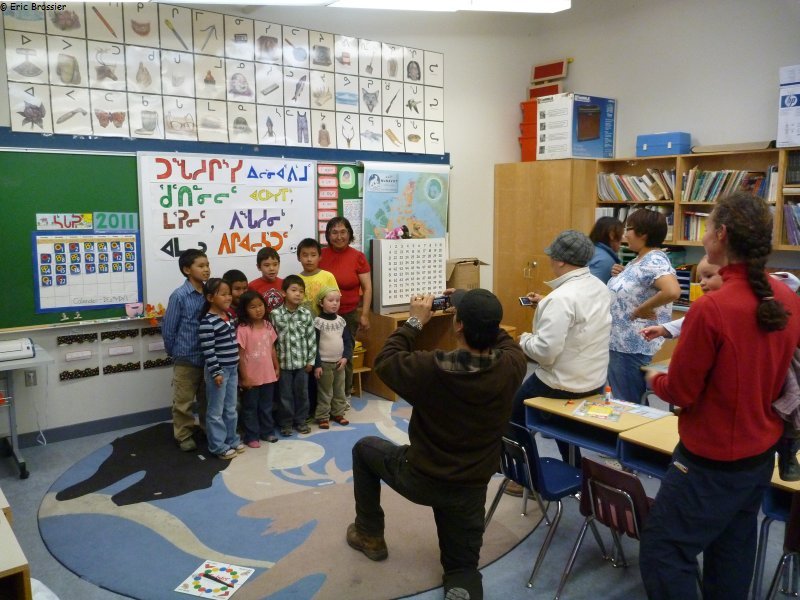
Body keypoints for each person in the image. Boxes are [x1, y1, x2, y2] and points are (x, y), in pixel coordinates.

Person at [639, 193, 800, 599]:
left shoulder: (711, 309)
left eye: (708, 226)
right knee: (733, 549)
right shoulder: (789, 300)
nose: (706, 232)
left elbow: (681, 391)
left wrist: (653, 379)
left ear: (720, 236)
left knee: (662, 550)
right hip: (759, 456)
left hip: (709, 463)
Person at [347, 289, 527, 600]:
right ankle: (460, 581)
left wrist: (416, 320)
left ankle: (369, 535)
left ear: (458, 325)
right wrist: (475, 307)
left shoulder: (430, 368)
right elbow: (498, 335)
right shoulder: (513, 365)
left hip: (422, 477)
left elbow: (386, 360)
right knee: (462, 570)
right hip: (470, 489)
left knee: (365, 449)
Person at [509, 230, 611, 483]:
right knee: (563, 427)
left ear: (561, 260)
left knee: (512, 418)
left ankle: (525, 476)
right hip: (594, 381)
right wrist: (546, 305)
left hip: (560, 384)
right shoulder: (599, 287)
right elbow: (581, 320)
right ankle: (574, 469)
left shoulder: (560, 299)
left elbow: (545, 353)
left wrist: (524, 340)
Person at [606, 209, 681, 403]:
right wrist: (621, 274)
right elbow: (638, 286)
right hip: (620, 342)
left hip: (630, 344)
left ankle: (631, 434)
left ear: (643, 233)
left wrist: (642, 309)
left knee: (628, 403)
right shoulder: (640, 259)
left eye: (629, 229)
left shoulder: (654, 259)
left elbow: (672, 291)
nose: (625, 234)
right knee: (627, 399)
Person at [319, 217, 371, 402]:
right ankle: (325, 397)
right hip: (323, 315)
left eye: (343, 232)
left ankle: (345, 394)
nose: (339, 236)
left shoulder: (358, 257)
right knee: (324, 355)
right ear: (328, 235)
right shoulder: (320, 255)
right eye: (334, 232)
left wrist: (364, 314)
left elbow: (367, 287)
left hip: (348, 314)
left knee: (345, 354)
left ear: (349, 234)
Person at [162, 248, 210, 452]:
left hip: (208, 356)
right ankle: (183, 435)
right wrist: (176, 352)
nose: (206, 269)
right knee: (183, 402)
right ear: (187, 270)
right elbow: (169, 329)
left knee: (208, 399)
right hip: (186, 357)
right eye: (201, 266)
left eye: (207, 265)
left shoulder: (210, 293)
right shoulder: (179, 296)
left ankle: (209, 431)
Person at [198, 278, 245, 460]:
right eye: (223, 294)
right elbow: (208, 350)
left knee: (231, 408)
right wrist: (216, 372)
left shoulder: (229, 316)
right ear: (210, 297)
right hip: (219, 372)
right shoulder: (207, 322)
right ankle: (217, 446)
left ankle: (232, 439)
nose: (228, 297)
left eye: (228, 293)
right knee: (215, 411)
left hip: (233, 368)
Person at [270, 275, 316, 436]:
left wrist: (310, 361)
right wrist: (275, 364)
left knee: (302, 394)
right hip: (284, 365)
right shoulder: (275, 315)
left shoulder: (306, 314)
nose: (298, 294)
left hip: (302, 365)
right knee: (285, 396)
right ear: (284, 293)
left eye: (301, 291)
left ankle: (301, 421)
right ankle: (286, 423)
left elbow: (311, 338)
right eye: (294, 290)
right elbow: (272, 341)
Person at [640, 255, 722, 341]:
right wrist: (663, 329)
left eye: (709, 276)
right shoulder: (705, 304)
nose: (701, 283)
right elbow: (689, 321)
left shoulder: (729, 306)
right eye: (700, 279)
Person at [237, 291, 280, 447]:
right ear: (245, 309)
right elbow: (240, 356)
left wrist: (277, 367)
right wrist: (244, 377)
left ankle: (267, 431)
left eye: (260, 305)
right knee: (250, 408)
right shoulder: (243, 329)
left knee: (266, 406)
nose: (258, 310)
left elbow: (272, 349)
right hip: (251, 378)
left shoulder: (268, 326)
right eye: (252, 307)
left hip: (268, 375)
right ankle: (251, 436)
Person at [313, 286, 353, 429]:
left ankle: (338, 413)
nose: (335, 303)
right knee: (325, 391)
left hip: (339, 363)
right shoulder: (317, 322)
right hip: (324, 363)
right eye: (330, 300)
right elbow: (314, 345)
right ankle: (323, 416)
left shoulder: (341, 321)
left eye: (337, 300)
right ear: (321, 303)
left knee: (339, 390)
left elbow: (348, 341)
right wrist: (317, 364)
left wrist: (345, 357)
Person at [296, 237, 338, 316]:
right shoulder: (296, 280)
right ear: (298, 257)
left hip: (324, 322)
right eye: (305, 255)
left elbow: (335, 301)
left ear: (319, 257)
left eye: (313, 255)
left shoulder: (328, 276)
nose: (309, 259)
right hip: (303, 324)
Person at [587, 216, 624, 283]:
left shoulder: (589, 250)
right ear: (612, 235)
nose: (622, 240)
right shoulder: (605, 261)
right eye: (621, 235)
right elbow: (592, 290)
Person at [248, 247, 284, 315]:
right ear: (258, 267)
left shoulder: (284, 283)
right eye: (267, 265)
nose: (271, 268)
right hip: (264, 324)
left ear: (279, 265)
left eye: (275, 264)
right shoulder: (252, 286)